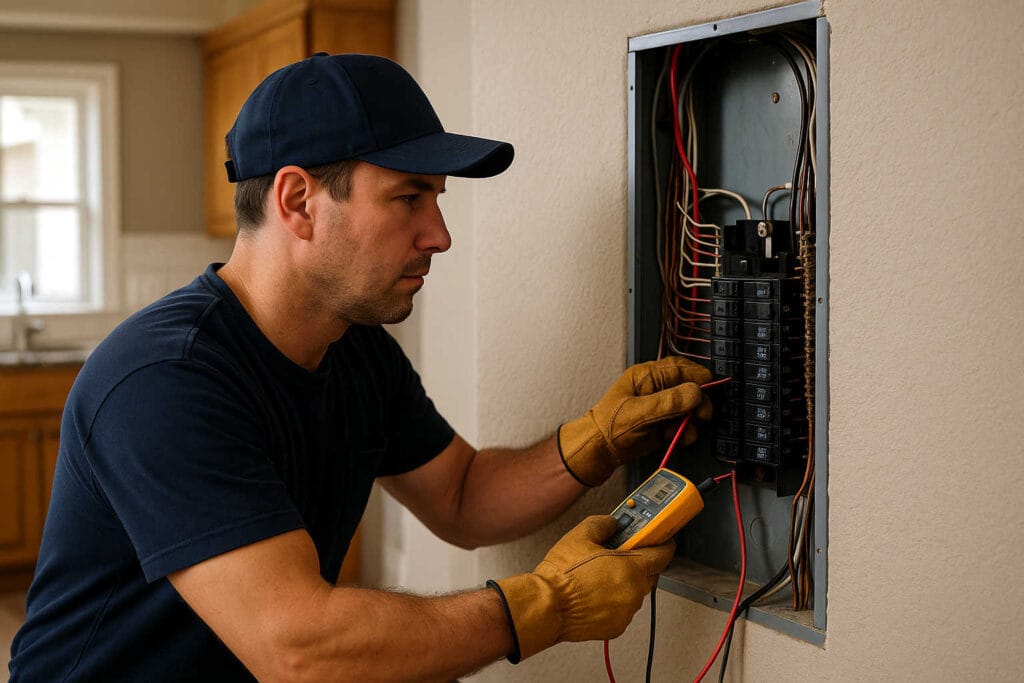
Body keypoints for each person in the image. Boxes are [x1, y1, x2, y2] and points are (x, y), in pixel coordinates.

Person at [9, 53, 712, 681]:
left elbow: (462, 495)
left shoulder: (355, 349)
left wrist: (595, 439)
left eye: (436, 199)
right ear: (297, 201)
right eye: (409, 197)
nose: (439, 234)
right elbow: (299, 648)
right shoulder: (165, 379)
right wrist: (545, 604)